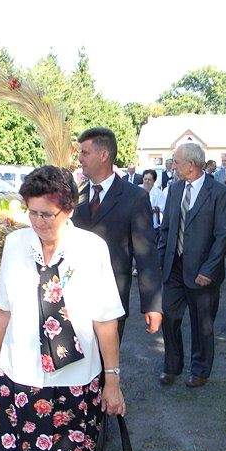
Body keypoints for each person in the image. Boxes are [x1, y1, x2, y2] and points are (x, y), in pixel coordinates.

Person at [0, 166, 126, 451]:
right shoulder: (15, 244)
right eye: (31, 212)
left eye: (46, 214)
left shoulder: (91, 249)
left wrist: (112, 381)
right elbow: (1, 307)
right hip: (22, 380)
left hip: (77, 381)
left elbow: (105, 320)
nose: (38, 222)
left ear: (68, 209)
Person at [72, 127, 162, 341]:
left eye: (85, 153)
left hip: (111, 299)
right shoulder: (77, 196)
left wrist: (152, 305)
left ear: (103, 155)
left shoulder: (135, 197)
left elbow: (145, 253)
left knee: (106, 367)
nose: (79, 158)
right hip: (76, 296)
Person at [158, 143, 226, 388]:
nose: (173, 165)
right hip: (175, 267)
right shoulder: (175, 188)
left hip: (203, 272)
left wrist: (208, 270)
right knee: (169, 315)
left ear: (191, 164)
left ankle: (200, 370)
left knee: (202, 323)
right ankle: (172, 366)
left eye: (176, 161)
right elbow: (166, 228)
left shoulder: (218, 192)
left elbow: (222, 235)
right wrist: (161, 260)